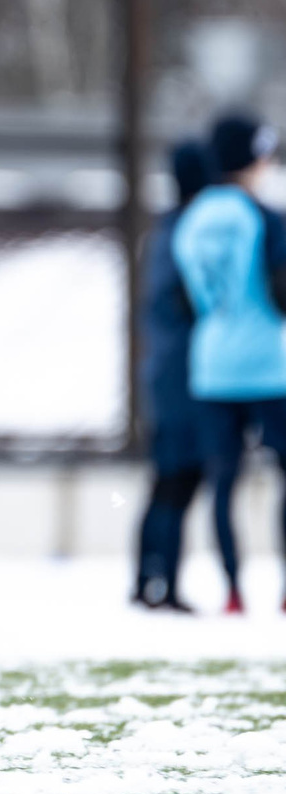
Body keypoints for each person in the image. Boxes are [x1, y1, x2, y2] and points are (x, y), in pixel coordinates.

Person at [171, 113, 286, 615]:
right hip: (266, 367)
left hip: (211, 366)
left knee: (223, 481)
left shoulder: (190, 220)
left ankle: (233, 589)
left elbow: (185, 301)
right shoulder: (264, 218)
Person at [134, 139, 213, 612]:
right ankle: (160, 583)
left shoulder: (166, 230)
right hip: (181, 374)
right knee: (177, 480)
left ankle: (148, 579)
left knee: (167, 480)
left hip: (164, 371)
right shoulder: (189, 231)